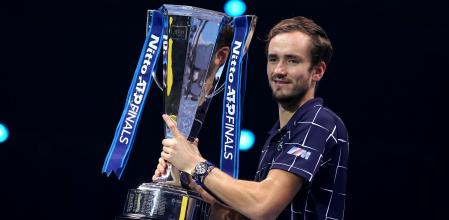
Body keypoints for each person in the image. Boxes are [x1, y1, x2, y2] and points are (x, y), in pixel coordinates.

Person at [153, 16, 349, 220]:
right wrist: (194, 187)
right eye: (273, 59)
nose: (279, 70)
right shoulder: (281, 134)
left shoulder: (318, 121)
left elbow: (263, 205)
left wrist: (196, 164)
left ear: (318, 71)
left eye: (292, 60)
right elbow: (247, 215)